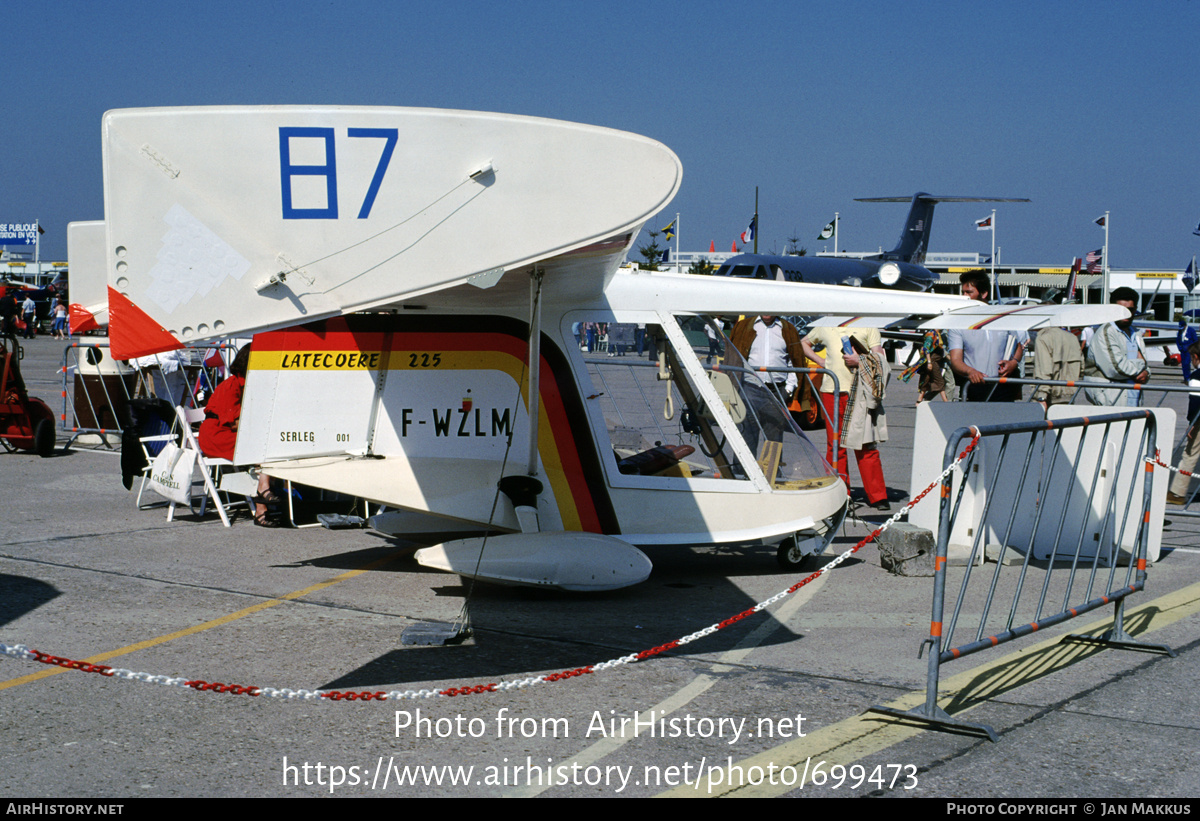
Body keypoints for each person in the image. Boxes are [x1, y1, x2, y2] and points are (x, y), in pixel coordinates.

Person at [802, 325, 890, 510]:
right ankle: (841, 493)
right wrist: (822, 362)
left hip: (859, 391)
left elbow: (880, 357)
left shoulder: (868, 325)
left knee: (865, 443)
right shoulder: (826, 326)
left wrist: (860, 360)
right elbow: (804, 343)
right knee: (835, 444)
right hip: (831, 391)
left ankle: (878, 496)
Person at [197, 344, 280, 526]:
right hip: (217, 435)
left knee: (270, 445)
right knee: (264, 446)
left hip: (230, 433)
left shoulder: (249, 385)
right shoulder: (232, 385)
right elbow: (234, 422)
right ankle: (263, 497)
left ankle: (262, 500)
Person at [728, 315, 803, 459]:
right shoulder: (744, 326)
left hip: (776, 391)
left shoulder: (787, 329)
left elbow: (794, 359)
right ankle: (743, 477)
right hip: (749, 388)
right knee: (746, 436)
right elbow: (734, 356)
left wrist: (788, 389)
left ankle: (773, 478)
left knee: (773, 440)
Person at [947, 271, 1027, 402]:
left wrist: (1013, 363)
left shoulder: (1003, 318)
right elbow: (956, 361)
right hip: (974, 387)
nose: (964, 296)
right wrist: (970, 371)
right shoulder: (957, 323)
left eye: (969, 292)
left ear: (984, 294)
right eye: (963, 292)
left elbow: (1018, 346)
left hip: (1003, 386)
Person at [1082, 286, 1148, 407]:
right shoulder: (1107, 331)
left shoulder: (1135, 333)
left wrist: (1146, 373)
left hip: (1133, 397)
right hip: (1111, 399)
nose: (1125, 314)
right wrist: (1142, 366)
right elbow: (1116, 369)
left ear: (1136, 310)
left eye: (1130, 310)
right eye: (1120, 310)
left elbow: (1145, 366)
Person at [1168, 339, 1200, 505]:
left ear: (1195, 357)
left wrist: (1191, 423)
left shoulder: (1196, 376)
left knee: (1189, 454)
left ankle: (1178, 492)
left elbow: (1195, 402)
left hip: (1199, 421)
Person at [1031, 326, 1084, 409]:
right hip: (1069, 395)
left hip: (1049, 397)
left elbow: (1044, 369)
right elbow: (1082, 367)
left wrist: (1042, 396)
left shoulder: (1043, 338)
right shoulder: (1072, 337)